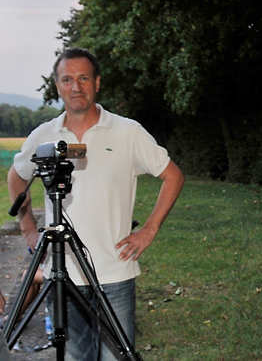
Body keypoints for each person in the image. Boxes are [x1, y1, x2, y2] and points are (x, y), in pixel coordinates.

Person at [6, 47, 185, 360]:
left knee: (116, 356)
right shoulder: (44, 135)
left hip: (114, 273)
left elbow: (173, 176)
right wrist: (28, 228)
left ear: (97, 82)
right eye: (67, 79)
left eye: (84, 78)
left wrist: (149, 230)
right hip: (62, 275)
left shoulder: (127, 131)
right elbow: (16, 177)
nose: (76, 87)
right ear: (58, 85)